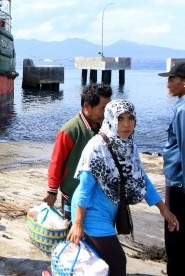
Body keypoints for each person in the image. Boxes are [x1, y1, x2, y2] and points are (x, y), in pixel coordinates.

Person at [67, 99, 179, 276]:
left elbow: (141, 178)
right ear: (111, 119)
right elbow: (83, 189)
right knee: (118, 262)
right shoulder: (97, 147)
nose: (126, 124)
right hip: (90, 213)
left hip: (109, 212)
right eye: (120, 119)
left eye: (130, 118)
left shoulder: (129, 145)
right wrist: (77, 224)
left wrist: (163, 209)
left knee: (99, 266)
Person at [43, 83, 112, 219]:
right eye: (103, 109)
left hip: (97, 194)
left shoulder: (106, 128)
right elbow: (56, 162)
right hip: (73, 193)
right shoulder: (70, 130)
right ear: (87, 107)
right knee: (72, 231)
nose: (107, 114)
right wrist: (52, 191)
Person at [158, 61, 185, 276]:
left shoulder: (183, 109)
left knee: (174, 231)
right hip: (178, 181)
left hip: (179, 184)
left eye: (172, 80)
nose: (168, 85)